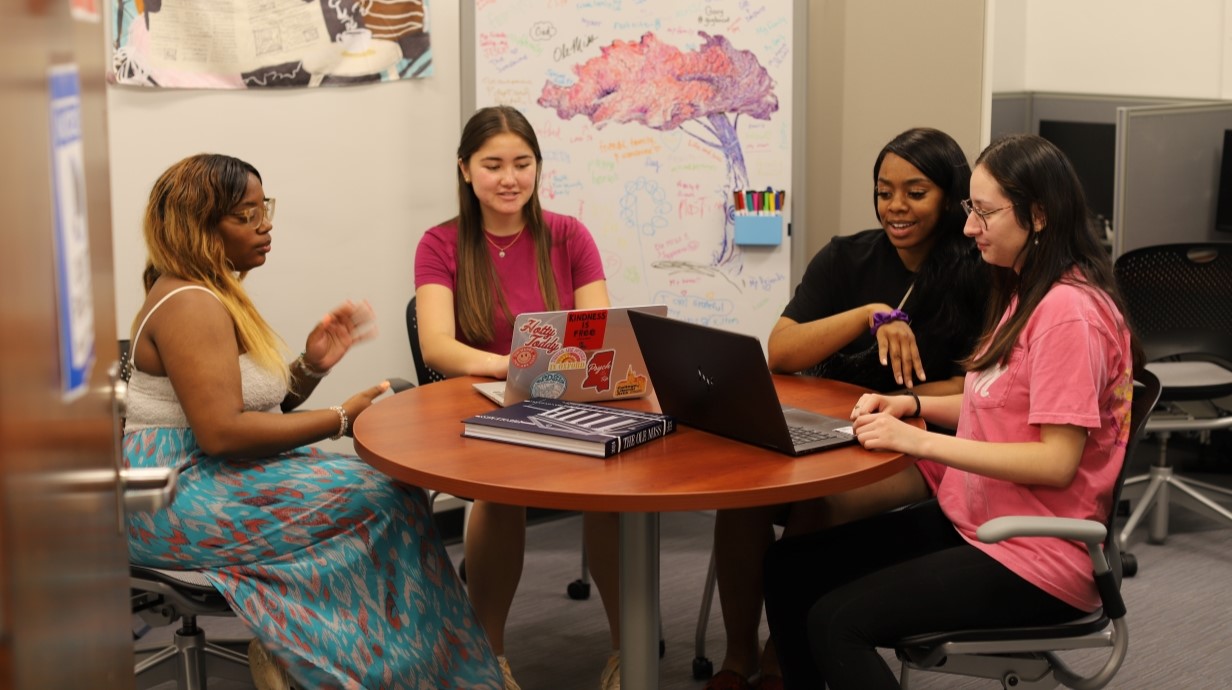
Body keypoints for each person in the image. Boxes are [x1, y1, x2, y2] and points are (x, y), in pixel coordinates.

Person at [760, 133, 1140, 689]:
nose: (968, 228)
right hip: (980, 522)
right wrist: (912, 404)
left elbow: (1057, 462)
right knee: (789, 569)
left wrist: (915, 439)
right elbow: (997, 395)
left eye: (984, 212)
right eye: (970, 209)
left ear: (1038, 216)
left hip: (1035, 553)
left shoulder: (1068, 314)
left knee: (836, 622)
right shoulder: (1026, 291)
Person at [123, 153, 501, 690]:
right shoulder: (191, 303)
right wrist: (342, 417)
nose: (265, 224)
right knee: (386, 497)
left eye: (264, 207)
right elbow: (223, 432)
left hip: (200, 473)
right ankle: (321, 656)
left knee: (389, 489)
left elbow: (244, 408)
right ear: (200, 228)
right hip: (176, 493)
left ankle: (320, 651)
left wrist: (311, 365)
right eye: (245, 215)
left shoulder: (207, 290)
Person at [704, 128, 986, 690]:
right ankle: (738, 659)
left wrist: (897, 402)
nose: (896, 207)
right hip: (828, 428)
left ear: (951, 198)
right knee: (742, 500)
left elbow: (976, 390)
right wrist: (869, 315)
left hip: (917, 444)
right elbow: (780, 351)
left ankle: (782, 650)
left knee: (822, 497)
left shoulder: (979, 273)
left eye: (915, 192)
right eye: (884, 192)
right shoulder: (846, 256)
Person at [413, 105, 622, 690]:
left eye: (522, 163)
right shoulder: (440, 243)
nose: (509, 178)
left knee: (611, 495)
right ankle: (490, 656)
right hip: (483, 406)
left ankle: (626, 650)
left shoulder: (569, 234)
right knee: (500, 496)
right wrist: (514, 365)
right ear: (465, 170)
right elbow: (437, 346)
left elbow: (599, 329)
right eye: (493, 164)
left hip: (567, 396)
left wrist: (539, 368)